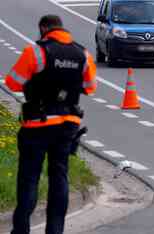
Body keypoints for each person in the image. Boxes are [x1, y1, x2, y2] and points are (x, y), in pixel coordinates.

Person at [5, 15, 96, 234]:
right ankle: (55, 231)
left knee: (29, 177)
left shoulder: (37, 51)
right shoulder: (82, 53)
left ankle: (21, 230)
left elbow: (13, 82)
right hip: (68, 124)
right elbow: (90, 86)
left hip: (38, 124)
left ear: (44, 28)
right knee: (59, 175)